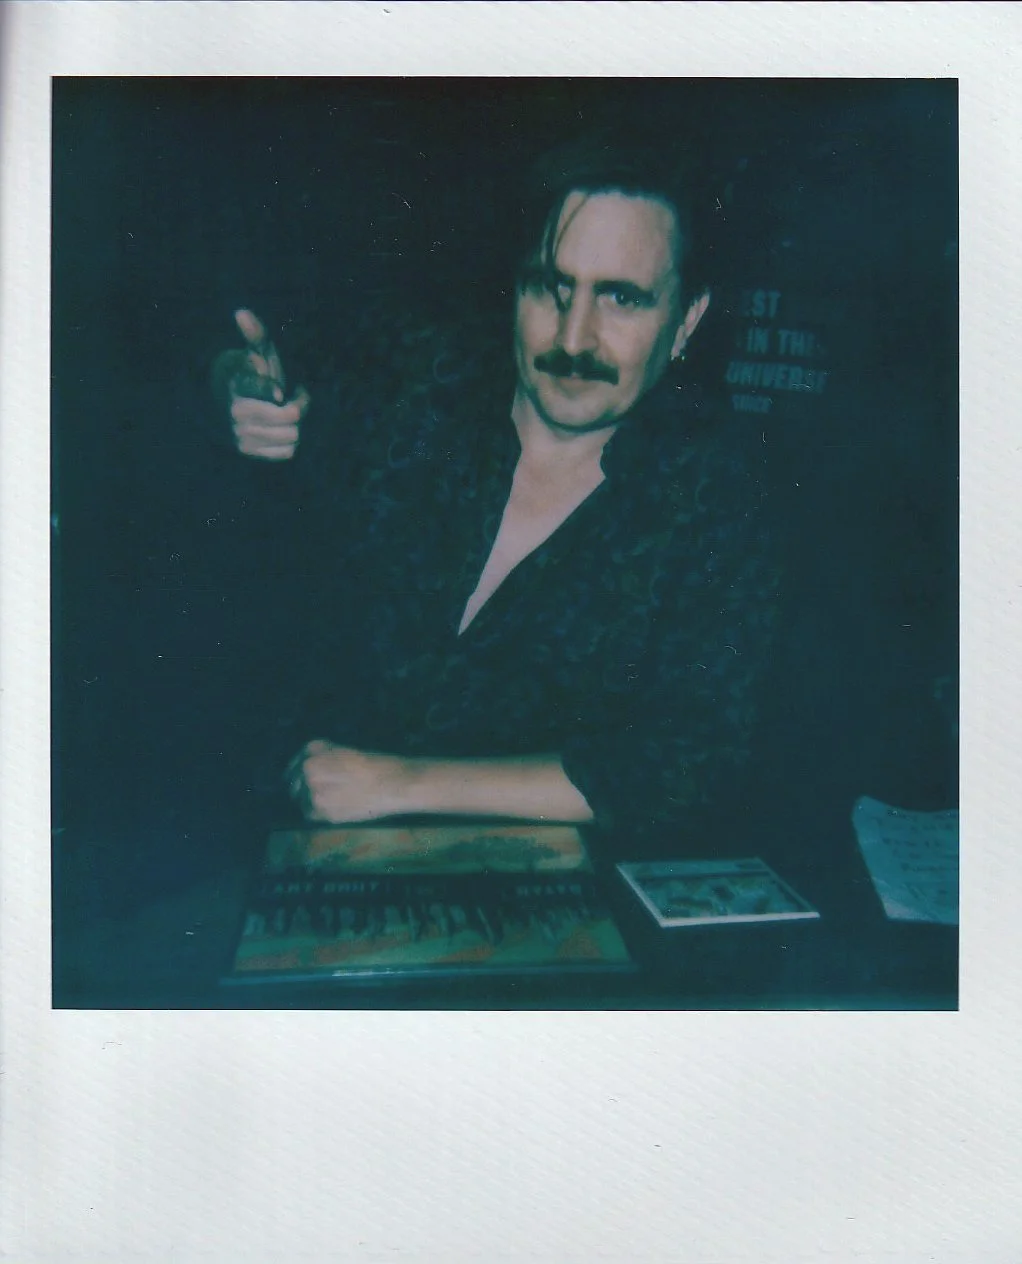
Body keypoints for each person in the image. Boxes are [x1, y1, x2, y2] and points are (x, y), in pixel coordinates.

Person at [211, 136, 780, 840]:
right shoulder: (417, 376)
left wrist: (404, 783)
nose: (574, 338)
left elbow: (690, 761)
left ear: (686, 321)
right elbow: (249, 357)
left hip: (533, 881)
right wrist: (241, 390)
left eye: (621, 299)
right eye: (551, 287)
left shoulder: (717, 496)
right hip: (271, 839)